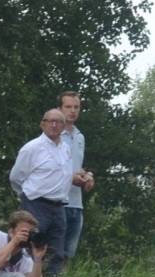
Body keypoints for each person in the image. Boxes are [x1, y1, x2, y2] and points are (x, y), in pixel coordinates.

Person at [9, 108, 90, 277]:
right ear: (42, 124)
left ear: (63, 126)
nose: (54, 125)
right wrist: (27, 196)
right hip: (36, 203)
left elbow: (65, 175)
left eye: (58, 122)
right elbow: (16, 177)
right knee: (30, 245)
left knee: (56, 250)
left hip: (59, 205)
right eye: (50, 121)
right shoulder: (32, 148)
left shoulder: (65, 148)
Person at [59, 92, 95, 266]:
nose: (72, 111)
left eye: (76, 107)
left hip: (76, 201)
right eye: (68, 107)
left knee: (68, 254)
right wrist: (69, 177)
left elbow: (77, 166)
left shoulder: (80, 136)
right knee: (53, 252)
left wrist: (87, 176)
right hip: (57, 201)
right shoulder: (54, 135)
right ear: (59, 108)